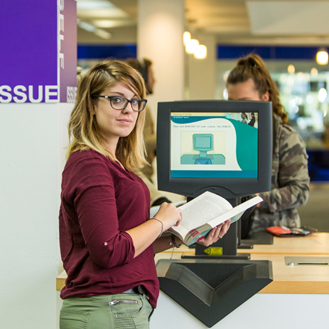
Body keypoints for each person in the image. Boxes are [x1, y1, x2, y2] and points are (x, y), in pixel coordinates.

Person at [59, 59, 231, 329]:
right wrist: (160, 221)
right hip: (107, 309)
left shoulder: (112, 162)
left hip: (118, 308)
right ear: (91, 104)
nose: (128, 110)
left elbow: (128, 247)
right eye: (116, 100)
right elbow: (108, 251)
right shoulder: (90, 164)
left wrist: (181, 237)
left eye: (135, 101)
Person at [226, 54, 310, 233]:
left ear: (265, 98)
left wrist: (255, 199)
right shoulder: (228, 135)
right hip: (232, 234)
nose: (236, 110)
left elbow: (300, 192)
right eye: (231, 103)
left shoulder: (285, 139)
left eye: (244, 102)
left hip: (274, 232)